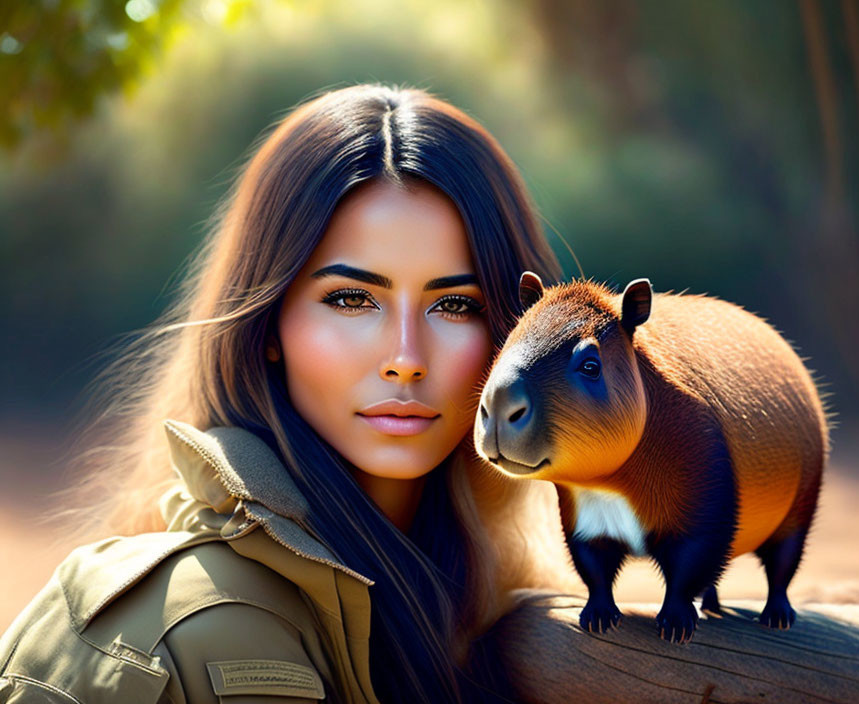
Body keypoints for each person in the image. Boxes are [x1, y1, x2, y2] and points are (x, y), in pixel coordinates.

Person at [0, 84, 577, 703]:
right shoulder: (151, 634)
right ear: (269, 325)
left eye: (456, 305)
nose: (406, 359)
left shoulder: (508, 619)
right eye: (352, 299)